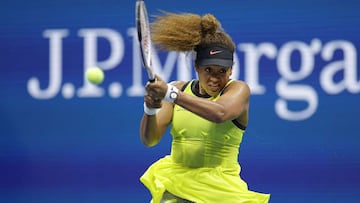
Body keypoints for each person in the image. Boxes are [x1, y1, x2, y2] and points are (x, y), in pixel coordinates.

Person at [139, 12, 270, 203]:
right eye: (208, 70)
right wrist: (150, 109)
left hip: (221, 192)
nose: (215, 78)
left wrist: (169, 94)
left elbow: (220, 113)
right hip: (178, 187)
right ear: (197, 67)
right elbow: (149, 139)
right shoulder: (178, 89)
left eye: (222, 71)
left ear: (231, 70)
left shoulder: (238, 90)